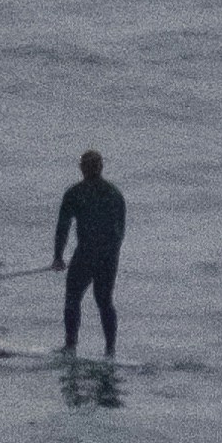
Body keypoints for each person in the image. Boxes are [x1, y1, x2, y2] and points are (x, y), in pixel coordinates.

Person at [52, 146, 127, 357]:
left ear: (83, 169)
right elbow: (120, 233)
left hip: (87, 254)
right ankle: (110, 350)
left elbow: (62, 229)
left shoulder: (75, 193)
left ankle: (70, 346)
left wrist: (58, 256)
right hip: (107, 256)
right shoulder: (114, 194)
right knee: (104, 301)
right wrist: (110, 253)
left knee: (73, 298)